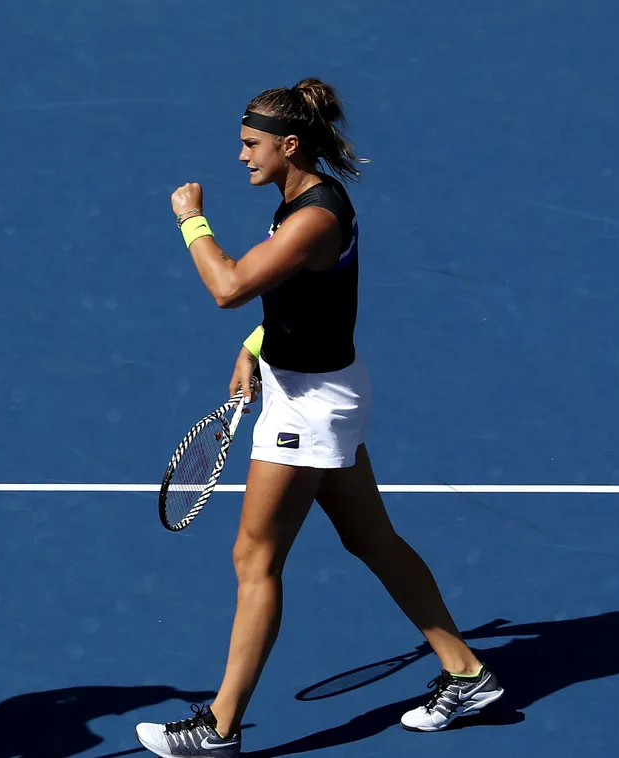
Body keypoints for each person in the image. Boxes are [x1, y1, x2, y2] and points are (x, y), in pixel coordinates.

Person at [134, 78, 504, 757]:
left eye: (250, 145)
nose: (241, 156)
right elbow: (305, 299)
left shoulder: (313, 217)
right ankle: (467, 674)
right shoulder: (301, 202)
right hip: (311, 389)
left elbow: (229, 287)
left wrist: (191, 218)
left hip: (308, 409)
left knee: (255, 557)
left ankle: (218, 728)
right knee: (371, 540)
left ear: (289, 144)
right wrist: (256, 346)